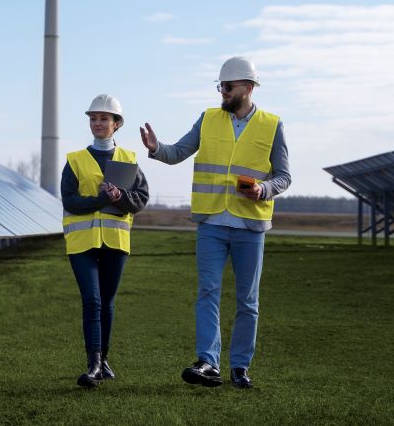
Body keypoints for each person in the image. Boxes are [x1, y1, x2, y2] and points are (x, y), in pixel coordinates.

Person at [139, 57, 290, 390]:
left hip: (250, 227)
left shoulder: (272, 124)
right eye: (220, 86)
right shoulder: (207, 119)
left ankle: (240, 367)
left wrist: (264, 189)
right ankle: (208, 363)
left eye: (228, 86)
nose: (222, 91)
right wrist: (156, 148)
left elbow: (284, 176)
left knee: (248, 301)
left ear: (247, 88)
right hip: (211, 224)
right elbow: (178, 151)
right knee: (207, 292)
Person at [61, 93, 149, 388]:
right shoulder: (74, 161)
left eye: (104, 118)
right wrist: (102, 198)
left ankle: (104, 360)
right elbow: (70, 201)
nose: (97, 123)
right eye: (93, 118)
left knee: (107, 303)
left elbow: (141, 199)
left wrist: (120, 197)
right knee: (93, 300)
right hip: (81, 243)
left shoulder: (130, 160)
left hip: (115, 241)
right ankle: (94, 363)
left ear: (117, 124)